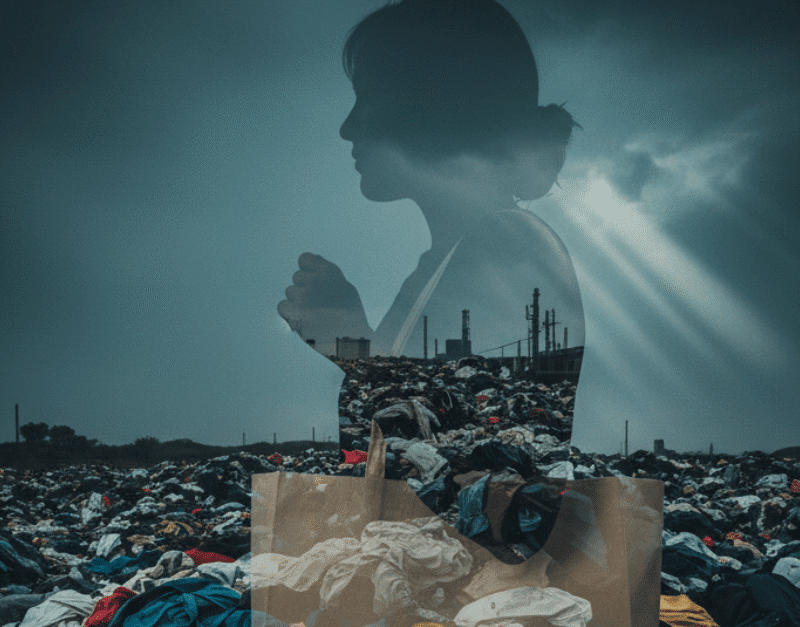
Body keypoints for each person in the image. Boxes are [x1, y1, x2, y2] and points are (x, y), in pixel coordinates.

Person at [277, 0, 584, 364]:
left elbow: (485, 416)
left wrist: (345, 336)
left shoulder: (504, 251)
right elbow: (419, 408)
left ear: (435, 107)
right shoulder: (454, 259)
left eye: (370, 98)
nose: (347, 128)